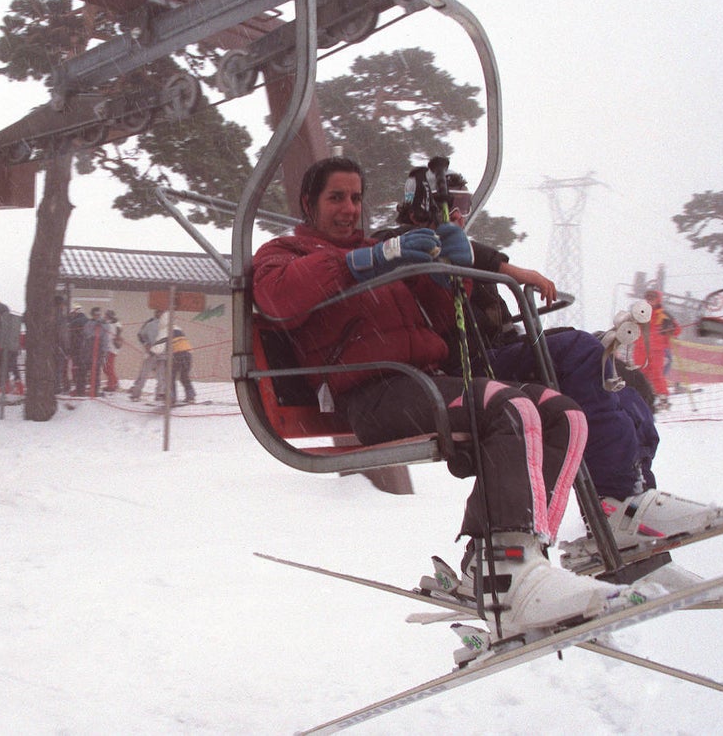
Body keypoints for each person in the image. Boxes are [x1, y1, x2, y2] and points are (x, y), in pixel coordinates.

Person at [252, 156, 651, 640]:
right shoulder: (286, 253)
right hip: (372, 395)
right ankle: (504, 568)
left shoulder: (383, 250)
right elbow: (278, 296)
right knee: (512, 409)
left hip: (422, 382)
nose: (349, 209)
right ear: (308, 204)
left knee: (561, 414)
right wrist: (361, 262)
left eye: (355, 198)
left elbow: (444, 317)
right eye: (336, 198)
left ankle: (509, 561)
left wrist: (448, 273)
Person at [385, 165, 723, 562]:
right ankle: (616, 499)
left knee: (624, 394)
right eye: (453, 205)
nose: (461, 214)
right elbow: (417, 247)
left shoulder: (461, 249)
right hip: (465, 367)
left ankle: (631, 506)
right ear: (422, 206)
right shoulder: (401, 245)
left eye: (465, 205)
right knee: (581, 350)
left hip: (495, 353)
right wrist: (508, 268)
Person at [632, 289, 680, 411]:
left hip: (657, 350)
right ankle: (643, 399)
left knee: (656, 374)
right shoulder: (640, 313)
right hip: (640, 349)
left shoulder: (664, 315)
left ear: (658, 299)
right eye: (648, 297)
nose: (650, 299)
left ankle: (663, 399)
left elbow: (677, 330)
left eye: (653, 297)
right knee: (641, 375)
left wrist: (670, 328)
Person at [128, 309, 167, 401]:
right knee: (145, 374)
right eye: (159, 312)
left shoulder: (166, 325)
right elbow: (141, 335)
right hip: (152, 352)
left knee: (161, 375)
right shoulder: (150, 324)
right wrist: (146, 344)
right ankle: (136, 394)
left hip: (161, 353)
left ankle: (159, 395)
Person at [169, 326, 196, 404]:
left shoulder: (166, 333)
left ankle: (172, 397)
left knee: (171, 377)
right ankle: (191, 396)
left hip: (177, 355)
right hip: (187, 354)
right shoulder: (180, 332)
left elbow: (163, 347)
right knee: (184, 376)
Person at [68, 304, 89, 396]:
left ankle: (79, 390)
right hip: (87, 349)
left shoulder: (74, 323)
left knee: (77, 369)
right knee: (83, 370)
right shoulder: (88, 321)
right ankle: (82, 389)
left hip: (77, 348)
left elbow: (70, 337)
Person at [103, 310, 122, 393]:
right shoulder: (108, 323)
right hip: (107, 348)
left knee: (109, 368)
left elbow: (118, 332)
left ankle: (111, 385)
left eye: (106, 315)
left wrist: (117, 340)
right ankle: (114, 382)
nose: (105, 316)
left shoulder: (115, 324)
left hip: (112, 348)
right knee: (105, 368)